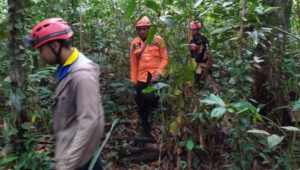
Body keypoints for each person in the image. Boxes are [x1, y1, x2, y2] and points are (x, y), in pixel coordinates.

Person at [25, 18, 104, 170]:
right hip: (73, 148)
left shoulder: (82, 75)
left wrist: (66, 164)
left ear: (55, 45)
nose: (40, 55)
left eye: (41, 49)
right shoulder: (65, 66)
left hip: (81, 156)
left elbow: (90, 122)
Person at [130, 16, 168, 138]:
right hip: (141, 76)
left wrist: (159, 73)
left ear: (149, 29)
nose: (142, 31)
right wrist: (134, 80)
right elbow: (134, 63)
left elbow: (165, 58)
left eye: (144, 29)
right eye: (139, 29)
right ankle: (146, 129)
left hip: (154, 76)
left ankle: (152, 114)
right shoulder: (134, 43)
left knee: (150, 97)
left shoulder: (158, 40)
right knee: (141, 104)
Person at [189, 21, 212, 85]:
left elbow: (208, 51)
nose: (194, 31)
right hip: (194, 63)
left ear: (198, 30)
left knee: (199, 79)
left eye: (195, 30)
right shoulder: (191, 40)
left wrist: (207, 64)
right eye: (192, 30)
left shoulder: (203, 39)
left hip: (202, 63)